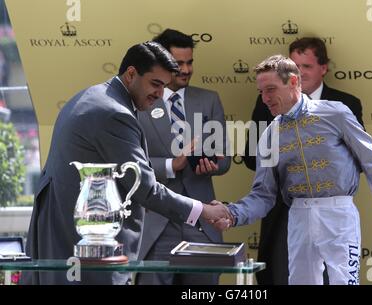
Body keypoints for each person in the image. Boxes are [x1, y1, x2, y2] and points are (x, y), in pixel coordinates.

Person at [21, 41, 231, 285]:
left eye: (164, 86)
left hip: (65, 244)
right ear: (131, 74)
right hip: (86, 248)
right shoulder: (114, 112)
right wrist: (203, 210)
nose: (160, 94)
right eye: (155, 84)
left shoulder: (95, 97)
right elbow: (146, 188)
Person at [218, 55, 372, 285]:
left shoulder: (336, 114)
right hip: (298, 217)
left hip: (338, 214)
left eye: (271, 89)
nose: (265, 98)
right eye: (261, 92)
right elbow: (263, 194)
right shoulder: (268, 135)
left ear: (294, 82)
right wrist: (232, 213)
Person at [242, 37, 366, 285]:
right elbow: (250, 155)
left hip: (333, 216)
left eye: (306, 66)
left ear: (323, 68)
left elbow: (361, 160)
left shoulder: (345, 105)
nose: (298, 72)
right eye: (294, 65)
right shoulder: (266, 100)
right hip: (283, 210)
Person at [135, 29, 231, 285]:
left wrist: (212, 164)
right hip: (156, 225)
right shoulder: (138, 102)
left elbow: (225, 160)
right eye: (179, 64)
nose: (186, 69)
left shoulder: (209, 100)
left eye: (190, 62)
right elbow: (129, 164)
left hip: (201, 224)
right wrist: (171, 164)